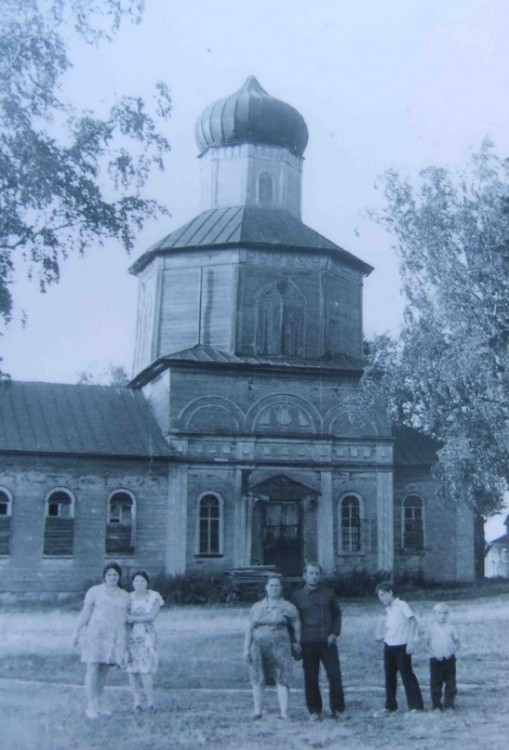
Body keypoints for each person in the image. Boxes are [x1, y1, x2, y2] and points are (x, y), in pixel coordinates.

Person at [72, 562, 130, 719]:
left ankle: (98, 704)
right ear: (104, 576)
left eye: (115, 575)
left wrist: (124, 643)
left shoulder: (124, 595)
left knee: (103, 672)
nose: (112, 578)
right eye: (109, 575)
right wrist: (76, 632)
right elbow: (85, 613)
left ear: (119, 577)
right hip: (95, 635)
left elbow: (126, 619)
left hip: (113, 636)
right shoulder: (94, 591)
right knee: (92, 668)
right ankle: (90, 707)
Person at [291, 562, 345, 720]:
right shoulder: (297, 596)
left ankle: (338, 709)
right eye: (311, 573)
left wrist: (335, 633)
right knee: (311, 677)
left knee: (334, 675)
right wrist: (295, 641)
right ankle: (314, 710)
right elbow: (292, 621)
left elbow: (337, 615)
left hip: (328, 642)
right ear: (304, 576)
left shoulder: (329, 593)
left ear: (320, 576)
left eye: (317, 573)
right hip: (308, 642)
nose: (314, 576)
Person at [243, 575, 301, 720]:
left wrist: (297, 643)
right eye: (271, 585)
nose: (274, 588)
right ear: (266, 588)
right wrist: (246, 649)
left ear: (281, 588)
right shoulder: (257, 607)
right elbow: (249, 628)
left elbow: (297, 627)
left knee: (282, 677)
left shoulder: (288, 607)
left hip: (281, 646)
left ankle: (284, 712)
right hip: (258, 646)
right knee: (257, 677)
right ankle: (257, 711)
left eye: (277, 585)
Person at [374, 582, 424, 715]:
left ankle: (416, 706)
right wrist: (382, 637)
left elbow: (413, 621)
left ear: (390, 592)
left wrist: (411, 642)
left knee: (407, 675)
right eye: (379, 596)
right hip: (389, 646)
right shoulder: (388, 610)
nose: (381, 599)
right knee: (389, 677)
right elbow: (393, 629)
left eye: (383, 595)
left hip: (402, 646)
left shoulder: (401, 604)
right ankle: (390, 706)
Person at [125, 571, 164, 712]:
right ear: (132, 583)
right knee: (132, 670)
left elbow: (152, 616)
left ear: (147, 582)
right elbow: (124, 616)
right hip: (131, 636)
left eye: (142, 581)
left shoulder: (154, 596)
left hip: (147, 636)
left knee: (146, 669)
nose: (139, 584)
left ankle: (151, 702)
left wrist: (134, 618)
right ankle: (137, 702)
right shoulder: (128, 598)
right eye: (136, 581)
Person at [423, 602, 460, 711]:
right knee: (435, 683)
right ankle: (436, 706)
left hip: (449, 659)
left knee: (450, 683)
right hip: (435, 659)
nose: (442, 616)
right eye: (439, 613)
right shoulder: (430, 628)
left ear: (448, 615)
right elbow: (425, 645)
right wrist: (434, 654)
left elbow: (458, 643)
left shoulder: (451, 627)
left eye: (445, 613)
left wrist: (451, 652)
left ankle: (449, 704)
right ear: (435, 614)